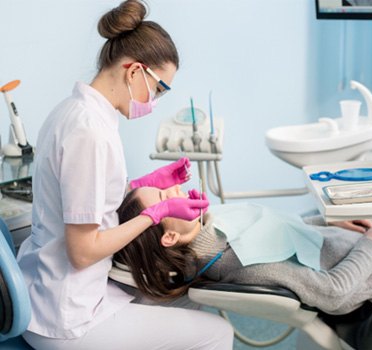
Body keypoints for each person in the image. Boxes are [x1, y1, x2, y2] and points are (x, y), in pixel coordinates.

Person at [16, 1, 234, 349]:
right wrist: (154, 214)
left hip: (42, 291)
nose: (156, 100)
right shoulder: (91, 133)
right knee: (218, 333)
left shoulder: (74, 111)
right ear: (134, 71)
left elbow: (83, 198)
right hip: (67, 318)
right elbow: (83, 252)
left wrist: (147, 184)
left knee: (179, 303)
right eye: (159, 88)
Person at [115, 185, 372, 350]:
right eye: (165, 196)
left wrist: (324, 222)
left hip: (353, 247)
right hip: (369, 296)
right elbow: (333, 292)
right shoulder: (239, 260)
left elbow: (278, 232)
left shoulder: (211, 225)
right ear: (170, 237)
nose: (176, 188)